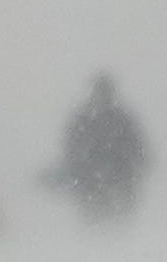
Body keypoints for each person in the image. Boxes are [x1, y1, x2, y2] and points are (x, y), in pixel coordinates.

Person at [49, 73, 150, 222]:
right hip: (96, 184)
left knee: (114, 224)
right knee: (100, 222)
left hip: (111, 184)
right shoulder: (94, 119)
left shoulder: (117, 119)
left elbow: (138, 150)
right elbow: (72, 150)